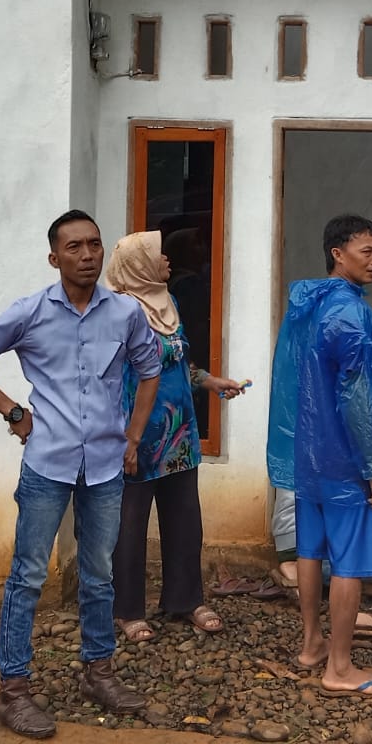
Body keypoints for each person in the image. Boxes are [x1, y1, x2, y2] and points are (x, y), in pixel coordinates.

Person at [0, 211, 162, 739]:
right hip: (48, 463)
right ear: (54, 257)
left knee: (98, 574)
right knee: (27, 576)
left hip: (107, 466)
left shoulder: (126, 313)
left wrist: (133, 437)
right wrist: (14, 413)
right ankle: (14, 691)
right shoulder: (30, 312)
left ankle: (99, 673)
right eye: (74, 247)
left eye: (94, 244)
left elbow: (150, 368)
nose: (87, 255)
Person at [267, 214, 372, 699]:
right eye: (366, 251)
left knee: (310, 550)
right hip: (341, 457)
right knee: (349, 561)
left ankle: (312, 644)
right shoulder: (347, 313)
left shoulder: (308, 303)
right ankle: (339, 667)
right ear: (338, 253)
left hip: (308, 452)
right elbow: (355, 397)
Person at [105, 230, 246, 642]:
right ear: (139, 265)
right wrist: (123, 437)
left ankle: (185, 599)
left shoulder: (169, 304)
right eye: (159, 256)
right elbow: (109, 378)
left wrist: (212, 382)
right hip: (136, 435)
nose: (167, 261)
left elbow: (180, 363)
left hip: (179, 434)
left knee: (185, 520)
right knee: (129, 525)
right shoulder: (117, 312)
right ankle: (127, 610)